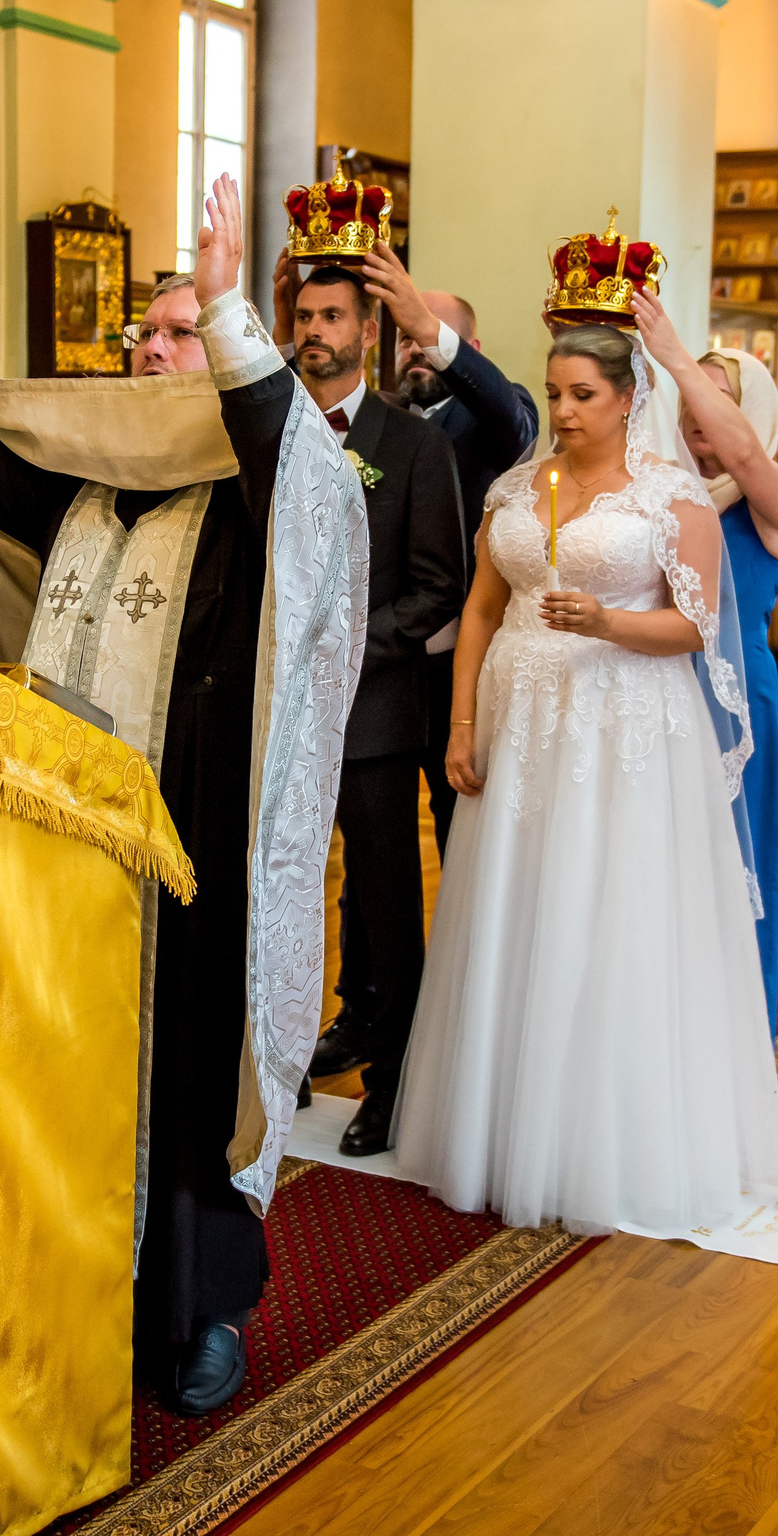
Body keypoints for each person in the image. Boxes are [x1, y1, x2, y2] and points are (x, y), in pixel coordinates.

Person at [0, 174, 364, 1417]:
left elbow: (279, 440)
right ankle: (74, 1277)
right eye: (146, 330)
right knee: (69, 1062)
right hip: (67, 839)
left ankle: (202, 1308)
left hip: (195, 842)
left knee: (189, 1072)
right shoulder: (79, 491)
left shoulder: (255, 502)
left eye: (178, 332)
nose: (152, 347)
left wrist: (230, 306)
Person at [393, 326, 778, 1264]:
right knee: (518, 906)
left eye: (583, 395)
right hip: (521, 720)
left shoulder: (671, 497)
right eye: (554, 393)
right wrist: (461, 722)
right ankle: (501, 1126)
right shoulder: (514, 490)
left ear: (625, 398)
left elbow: (697, 627)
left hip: (621, 721)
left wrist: (606, 620)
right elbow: (482, 607)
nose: (564, 411)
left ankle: (601, 1140)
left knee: (607, 907)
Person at [266, 260, 465, 1156]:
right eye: (305, 315)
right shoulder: (267, 428)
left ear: (366, 331)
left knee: (385, 906)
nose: (316, 329)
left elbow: (437, 589)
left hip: (373, 713)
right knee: (277, 891)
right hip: (275, 709)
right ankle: (274, 1062)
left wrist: (345, 643)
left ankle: (393, 1081)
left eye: (333, 316)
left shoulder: (413, 446)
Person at [630, 292, 778, 1038]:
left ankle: (736, 1033)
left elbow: (742, 457)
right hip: (653, 685)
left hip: (734, 698)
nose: (700, 411)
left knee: (736, 862)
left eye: (721, 396)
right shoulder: (659, 491)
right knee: (655, 862)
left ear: (753, 410)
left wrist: (676, 357)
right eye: (692, 398)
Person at [339, 245, 538, 857]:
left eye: (428, 334)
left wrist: (428, 328)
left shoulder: (498, 415)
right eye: (405, 337)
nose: (415, 347)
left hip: (463, 662)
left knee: (463, 826)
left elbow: (510, 417)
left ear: (467, 349)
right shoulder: (375, 419)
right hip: (388, 659)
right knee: (377, 842)